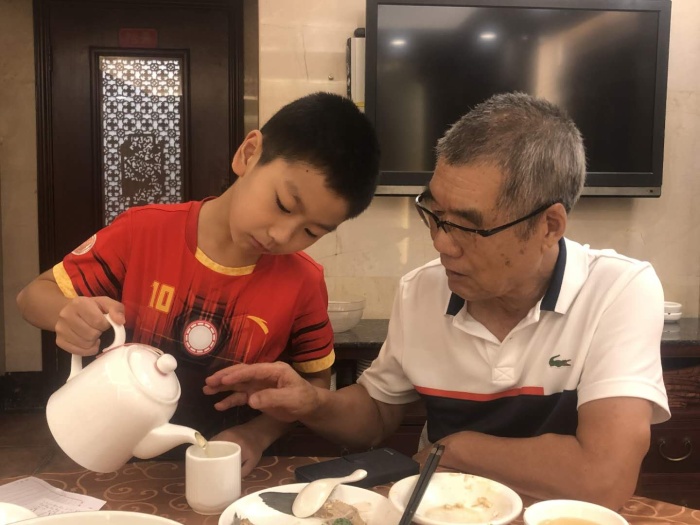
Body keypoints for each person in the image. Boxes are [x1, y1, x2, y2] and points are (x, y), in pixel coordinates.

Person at [203, 92, 670, 509]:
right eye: (434, 213)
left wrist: (457, 448)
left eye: (467, 226)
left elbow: (603, 479)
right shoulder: (423, 290)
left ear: (549, 226)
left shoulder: (618, 290)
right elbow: (376, 415)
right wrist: (312, 403)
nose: (442, 244)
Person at [16, 91, 381, 476]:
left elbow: (313, 382)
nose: (281, 235)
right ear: (249, 154)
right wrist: (67, 314)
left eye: (311, 231)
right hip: (113, 453)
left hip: (231, 466)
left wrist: (257, 435)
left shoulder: (303, 281)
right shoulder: (143, 232)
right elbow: (32, 297)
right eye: (283, 205)